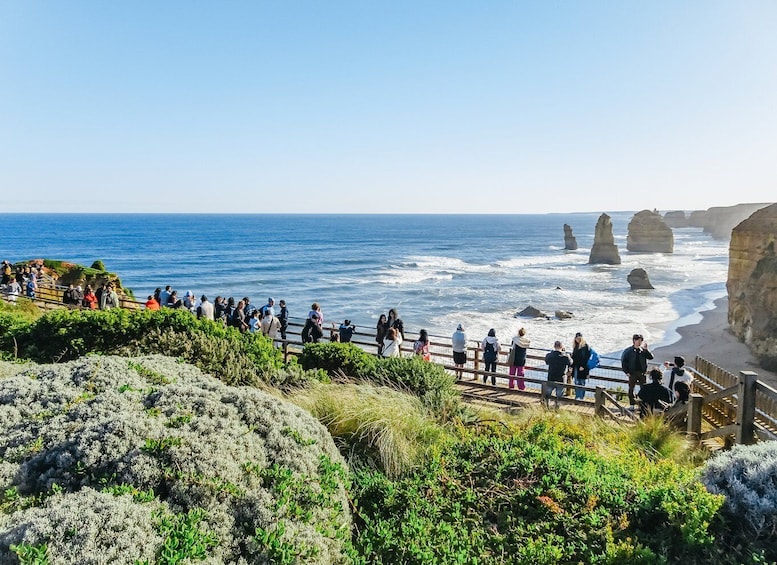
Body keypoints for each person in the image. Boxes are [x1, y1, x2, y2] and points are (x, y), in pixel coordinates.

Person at [621, 333, 654, 409]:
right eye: (638, 340)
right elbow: (624, 361)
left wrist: (646, 350)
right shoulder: (628, 351)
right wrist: (626, 372)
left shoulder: (643, 351)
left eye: (640, 340)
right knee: (631, 389)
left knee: (644, 389)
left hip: (642, 373)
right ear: (634, 341)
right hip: (632, 373)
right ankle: (632, 404)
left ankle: (642, 405)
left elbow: (651, 357)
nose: (639, 342)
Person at [544, 340, 572, 408]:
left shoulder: (549, 355)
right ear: (561, 346)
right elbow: (571, 362)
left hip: (551, 377)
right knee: (559, 395)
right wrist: (565, 353)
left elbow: (546, 362)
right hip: (561, 378)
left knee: (548, 393)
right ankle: (557, 407)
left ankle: (546, 406)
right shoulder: (565, 356)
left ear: (554, 346)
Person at [571, 332, 591, 400]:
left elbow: (587, 358)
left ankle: (581, 398)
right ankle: (577, 397)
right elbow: (573, 357)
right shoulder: (575, 346)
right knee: (576, 382)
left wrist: (583, 366)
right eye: (577, 338)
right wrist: (571, 366)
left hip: (583, 368)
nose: (578, 339)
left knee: (582, 382)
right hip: (576, 367)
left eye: (579, 338)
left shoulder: (586, 346)